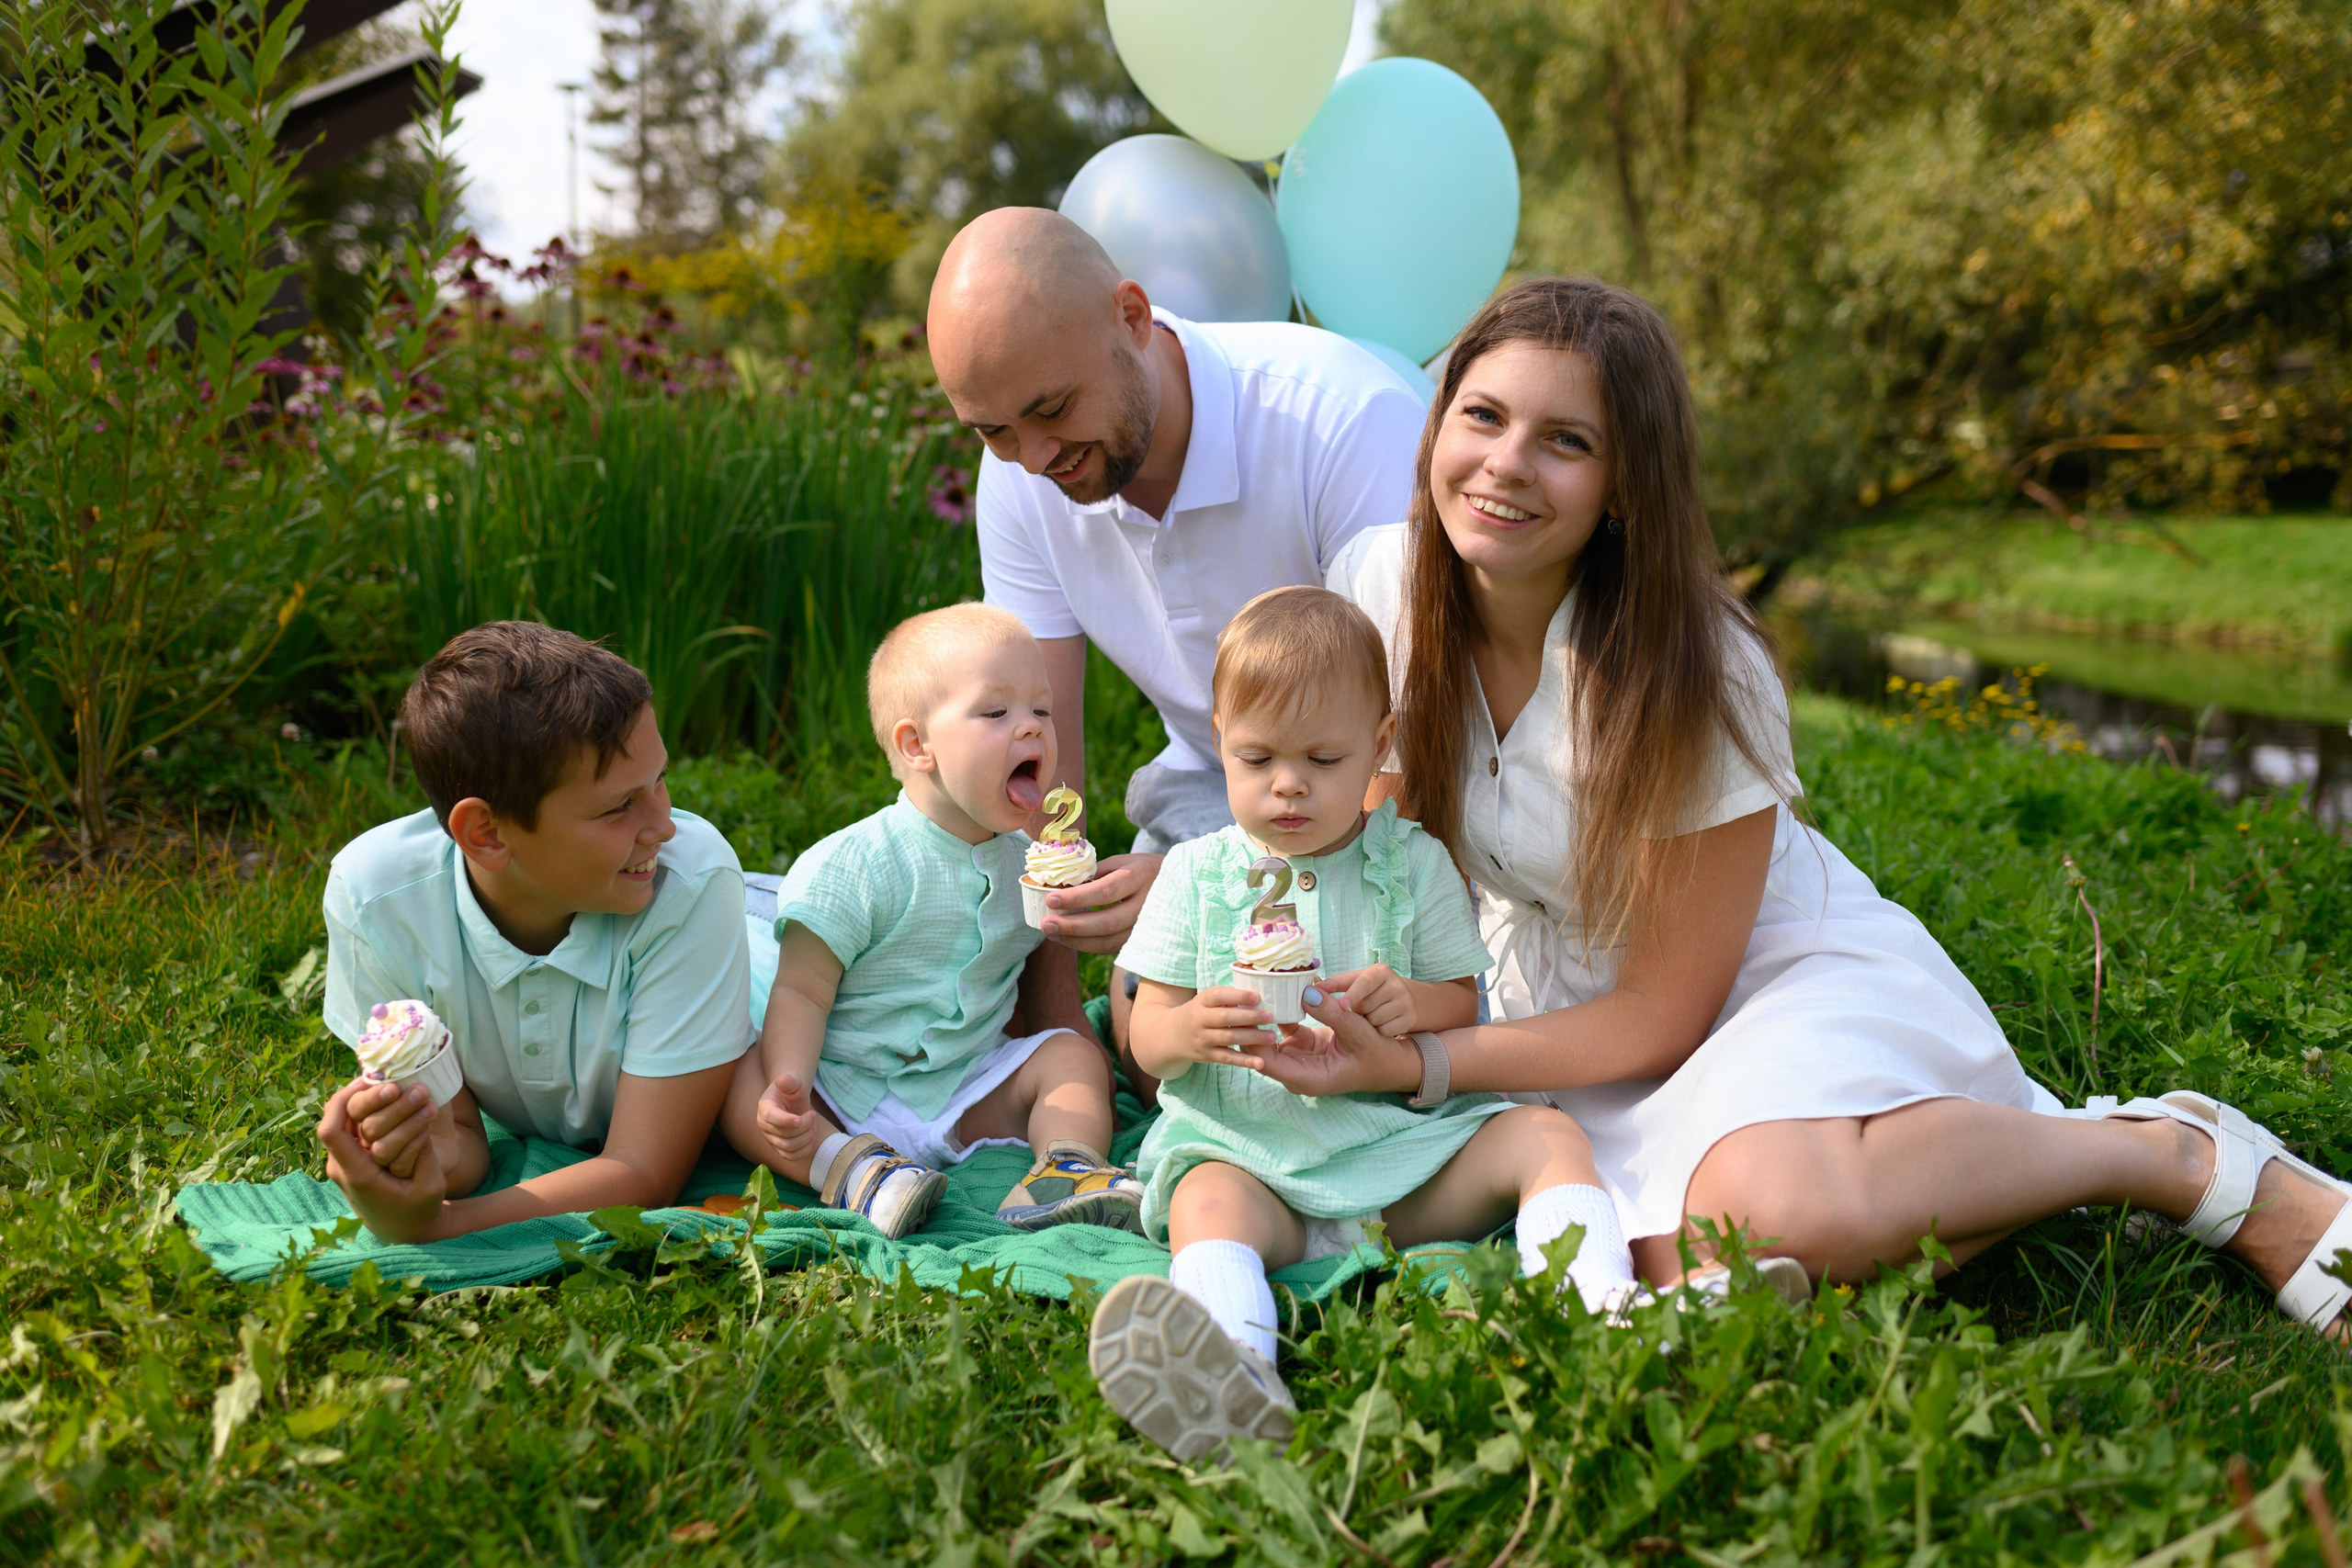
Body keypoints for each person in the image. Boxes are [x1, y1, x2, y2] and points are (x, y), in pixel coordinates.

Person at [1316, 276, 2352, 1338]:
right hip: (1544, 1001)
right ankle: (1813, 1255)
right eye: (1481, 415)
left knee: (1791, 1211)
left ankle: (2163, 1154)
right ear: (1438, 423)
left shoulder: (1697, 664)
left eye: (1565, 441)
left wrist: (1428, 1063)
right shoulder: (1378, 584)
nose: (1504, 464)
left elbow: (1664, 1013)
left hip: (1745, 974)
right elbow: (1384, 839)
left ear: (1623, 483)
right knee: (1669, 1239)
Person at [1085, 587, 1647, 1462]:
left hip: (1399, 1164)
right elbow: (1143, 1032)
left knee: (1541, 1132)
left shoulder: (1411, 861)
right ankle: (1231, 1360)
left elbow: (1461, 1000)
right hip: (1254, 1159)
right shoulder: (1195, 873)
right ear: (1220, 742)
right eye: (1256, 756)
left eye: (1322, 757)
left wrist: (1408, 1003)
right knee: (1204, 1201)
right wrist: (1188, 1028)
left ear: (1379, 746)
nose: (1287, 784)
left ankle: (1599, 1313)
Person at [925, 207, 1429, 1069]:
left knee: (1316, 1013)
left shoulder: (1341, 422)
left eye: (1051, 409)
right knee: (1158, 1014)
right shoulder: (1019, 476)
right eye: (993, 430)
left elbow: (1414, 760)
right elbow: (1044, 751)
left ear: (1133, 315)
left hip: (1398, 800)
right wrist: (1054, 1018)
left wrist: (1215, 885)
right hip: (1213, 789)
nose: (1035, 458)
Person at [315, 622, 752, 1242]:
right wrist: (421, 1154)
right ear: (487, 834)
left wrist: (438, 1225)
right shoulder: (376, 901)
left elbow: (645, 1169)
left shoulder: (690, 883)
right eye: (618, 806)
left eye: (658, 781)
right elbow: (465, 1140)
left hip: (754, 961)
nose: (664, 824)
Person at [718, 604, 1143, 1239]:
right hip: (843, 1089)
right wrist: (793, 1085)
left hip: (966, 1088)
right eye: (997, 712)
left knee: (1070, 1057)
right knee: (735, 1072)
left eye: (1043, 710)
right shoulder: (853, 865)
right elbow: (800, 989)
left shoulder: (1028, 865)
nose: (1031, 729)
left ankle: (1068, 1166)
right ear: (917, 745)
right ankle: (848, 1166)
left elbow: (1020, 994)